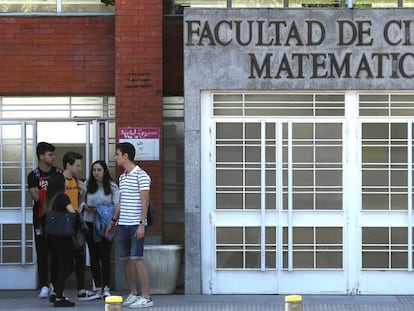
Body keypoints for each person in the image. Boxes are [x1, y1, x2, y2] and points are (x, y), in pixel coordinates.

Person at [106, 142, 153, 308]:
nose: (115, 157)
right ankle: (133, 293)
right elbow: (121, 201)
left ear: (125, 156)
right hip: (123, 224)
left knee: (137, 259)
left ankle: (146, 296)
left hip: (135, 224)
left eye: (117, 154)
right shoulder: (122, 177)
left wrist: (142, 224)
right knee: (125, 260)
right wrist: (113, 221)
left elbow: (145, 201)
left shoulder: (142, 175)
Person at [62, 151, 99, 301]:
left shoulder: (76, 181)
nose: (79, 168)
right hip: (64, 222)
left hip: (76, 221)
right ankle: (57, 289)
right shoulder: (59, 180)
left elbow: (79, 200)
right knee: (65, 259)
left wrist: (83, 191)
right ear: (68, 165)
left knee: (80, 256)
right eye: (77, 165)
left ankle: (81, 289)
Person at [27, 142, 62, 299]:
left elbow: (61, 194)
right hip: (40, 218)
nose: (53, 157)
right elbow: (35, 197)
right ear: (41, 156)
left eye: (53, 154)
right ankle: (44, 285)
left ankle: (55, 284)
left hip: (56, 217)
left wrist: (44, 193)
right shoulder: (33, 175)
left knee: (56, 251)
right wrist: (50, 194)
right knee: (42, 252)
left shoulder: (58, 173)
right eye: (50, 154)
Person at [84, 160, 120, 298]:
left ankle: (106, 287)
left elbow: (117, 205)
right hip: (90, 222)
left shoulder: (111, 186)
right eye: (94, 170)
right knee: (94, 256)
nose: (96, 173)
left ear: (104, 171)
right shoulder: (88, 184)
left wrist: (113, 222)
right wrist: (85, 206)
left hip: (106, 225)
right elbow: (81, 200)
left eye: (99, 170)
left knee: (105, 256)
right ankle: (97, 287)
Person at [42, 173, 77, 308]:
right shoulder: (63, 197)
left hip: (54, 236)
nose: (67, 182)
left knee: (60, 264)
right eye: (65, 180)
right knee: (68, 265)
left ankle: (56, 293)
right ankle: (58, 295)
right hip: (64, 236)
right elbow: (72, 213)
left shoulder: (51, 198)